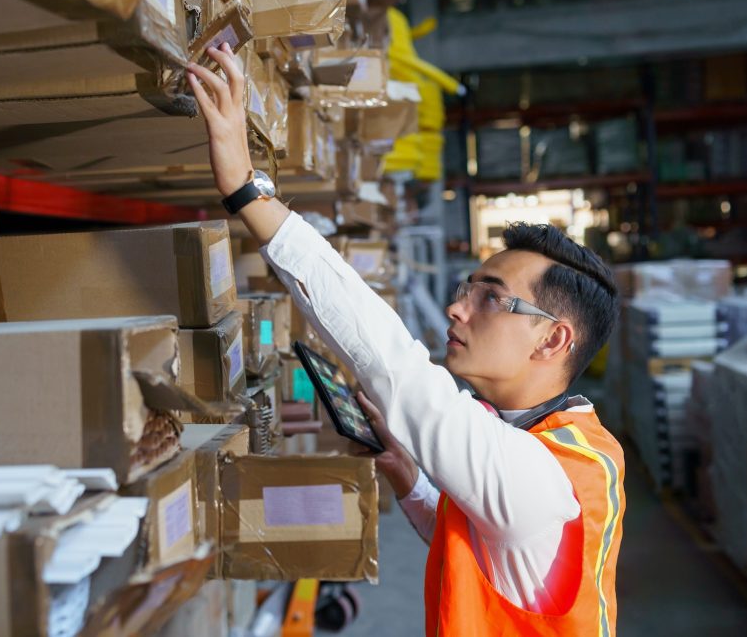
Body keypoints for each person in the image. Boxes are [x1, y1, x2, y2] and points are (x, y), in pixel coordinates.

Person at [187, 43, 626, 636]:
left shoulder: (540, 478)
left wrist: (247, 191)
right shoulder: (569, 448)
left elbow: (392, 363)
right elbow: (488, 551)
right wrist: (410, 479)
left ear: (553, 341)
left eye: (490, 297)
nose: (456, 308)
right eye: (468, 288)